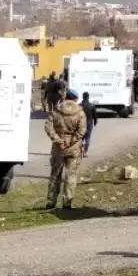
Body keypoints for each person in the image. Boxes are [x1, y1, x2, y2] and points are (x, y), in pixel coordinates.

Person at [46, 80, 87, 210]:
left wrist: (58, 140)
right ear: (76, 99)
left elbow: (48, 126)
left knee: (55, 175)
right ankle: (67, 202)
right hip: (73, 148)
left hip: (58, 147)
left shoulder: (57, 110)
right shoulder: (80, 112)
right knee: (71, 175)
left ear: (66, 96)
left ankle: (51, 201)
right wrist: (71, 141)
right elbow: (82, 131)